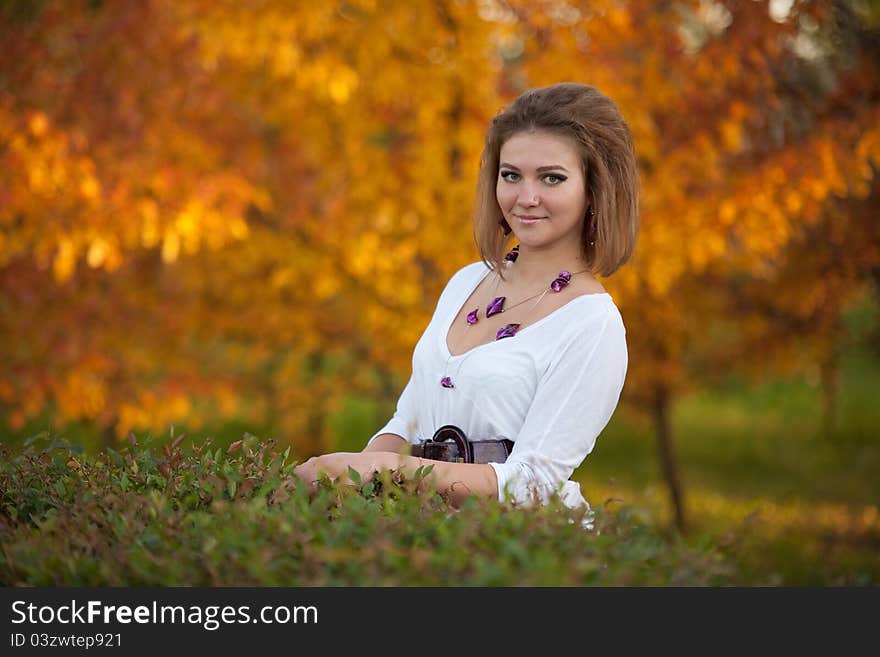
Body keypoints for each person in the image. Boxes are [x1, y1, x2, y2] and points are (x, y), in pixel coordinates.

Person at [293, 82, 639, 512]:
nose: (525, 198)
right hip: (423, 537)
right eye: (510, 175)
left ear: (595, 190)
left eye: (552, 178)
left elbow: (532, 483)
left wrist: (384, 471)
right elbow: (408, 421)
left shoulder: (592, 323)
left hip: (520, 552)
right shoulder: (467, 282)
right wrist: (347, 488)